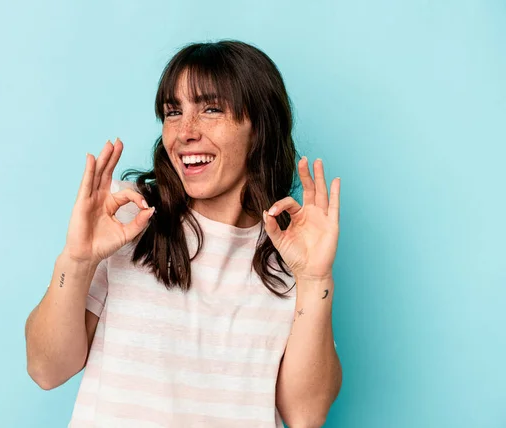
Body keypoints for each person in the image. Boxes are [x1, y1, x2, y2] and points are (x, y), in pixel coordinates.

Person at [25, 40, 342, 428]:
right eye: (173, 112)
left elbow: (306, 415)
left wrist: (314, 280)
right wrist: (76, 262)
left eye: (211, 109)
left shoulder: (293, 251)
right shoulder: (129, 221)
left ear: (259, 129)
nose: (184, 132)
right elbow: (46, 369)